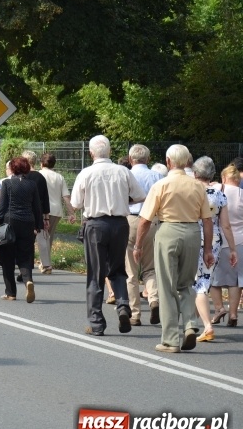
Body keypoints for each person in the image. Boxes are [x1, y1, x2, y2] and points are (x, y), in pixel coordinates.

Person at [133, 144, 214, 353]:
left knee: (167, 287)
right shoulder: (197, 186)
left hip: (168, 231)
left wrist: (138, 246)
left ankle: (170, 339)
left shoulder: (161, 185)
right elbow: (207, 220)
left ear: (169, 162)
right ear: (187, 161)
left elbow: (144, 220)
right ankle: (190, 324)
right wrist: (208, 250)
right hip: (192, 233)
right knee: (186, 284)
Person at [71, 135, 146, 335]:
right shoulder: (123, 171)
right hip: (120, 224)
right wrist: (121, 201)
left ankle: (96, 323)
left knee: (96, 273)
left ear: (91, 153)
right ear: (110, 152)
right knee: (118, 269)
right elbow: (139, 196)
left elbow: (76, 203)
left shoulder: (86, 173)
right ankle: (123, 306)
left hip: (95, 225)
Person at [191, 157, 237, 342]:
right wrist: (232, 249)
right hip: (215, 240)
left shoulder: (192, 191)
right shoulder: (219, 195)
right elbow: (226, 225)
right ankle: (192, 322)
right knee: (203, 279)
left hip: (194, 236)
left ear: (195, 173)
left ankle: (207, 325)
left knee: (198, 283)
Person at [0, 157, 43, 302]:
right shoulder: (32, 185)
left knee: (7, 257)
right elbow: (37, 207)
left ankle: (11, 293)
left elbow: (2, 206)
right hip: (28, 222)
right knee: (25, 255)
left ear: (13, 169)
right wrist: (38, 226)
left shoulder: (7, 183)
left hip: (10, 222)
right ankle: (28, 280)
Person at [125, 144, 163, 326]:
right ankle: (154, 299)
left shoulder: (126, 175)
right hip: (152, 221)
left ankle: (135, 313)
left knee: (131, 271)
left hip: (131, 220)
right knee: (150, 267)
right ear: (147, 159)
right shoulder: (157, 176)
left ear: (131, 159)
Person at [208, 165, 243, 327]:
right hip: (240, 241)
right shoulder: (242, 194)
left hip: (219, 240)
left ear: (223, 178)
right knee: (235, 280)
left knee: (214, 279)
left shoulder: (217, 189)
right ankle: (234, 313)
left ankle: (219, 308)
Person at [37, 153, 76, 275]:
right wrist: (71, 213)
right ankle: (45, 262)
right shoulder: (59, 177)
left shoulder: (38, 175)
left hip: (43, 210)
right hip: (57, 210)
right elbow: (66, 196)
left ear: (41, 163)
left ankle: (46, 264)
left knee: (42, 237)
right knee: (49, 237)